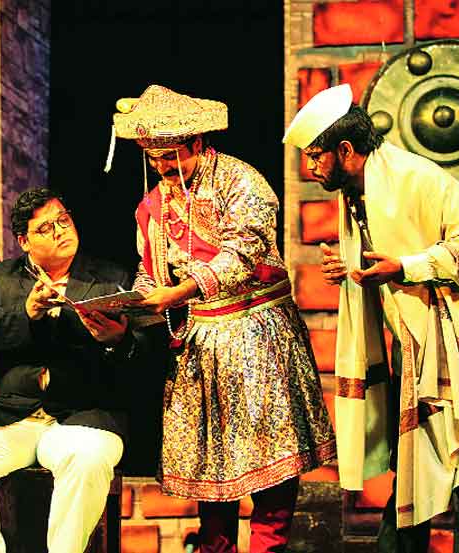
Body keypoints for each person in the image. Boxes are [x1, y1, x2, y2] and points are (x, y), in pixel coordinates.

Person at [106, 84, 336, 553]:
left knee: (272, 453)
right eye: (153, 158)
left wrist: (182, 290)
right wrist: (134, 302)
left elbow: (243, 252)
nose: (162, 167)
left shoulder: (240, 181)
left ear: (196, 142)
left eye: (171, 156)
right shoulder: (154, 204)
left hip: (257, 333)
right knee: (212, 461)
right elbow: (151, 271)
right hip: (201, 342)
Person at [283, 83, 459, 553]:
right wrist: (351, 268)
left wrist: (404, 267)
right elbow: (384, 253)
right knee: (408, 457)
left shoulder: (414, 177)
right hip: (412, 336)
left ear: (346, 150)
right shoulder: (355, 190)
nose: (312, 167)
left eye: (317, 156)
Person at [0, 187, 155, 553]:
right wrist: (26, 313)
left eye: (63, 220)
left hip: (83, 413)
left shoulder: (110, 275)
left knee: (88, 458)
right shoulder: (1, 277)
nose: (60, 231)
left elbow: (144, 354)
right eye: (46, 228)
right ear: (24, 240)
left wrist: (117, 339)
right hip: (12, 415)